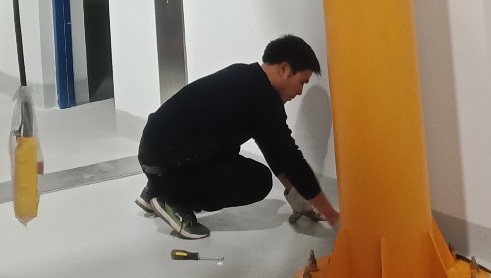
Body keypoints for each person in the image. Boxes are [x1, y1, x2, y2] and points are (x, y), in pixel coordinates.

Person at [136, 35, 339, 241]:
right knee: (257, 181)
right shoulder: (262, 98)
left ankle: (156, 187)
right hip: (167, 159)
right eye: (301, 82)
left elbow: (275, 151)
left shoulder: (245, 77)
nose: (300, 92)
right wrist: (333, 217)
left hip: (154, 151)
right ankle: (173, 199)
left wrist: (298, 197)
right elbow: (291, 159)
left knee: (230, 150)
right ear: (284, 68)